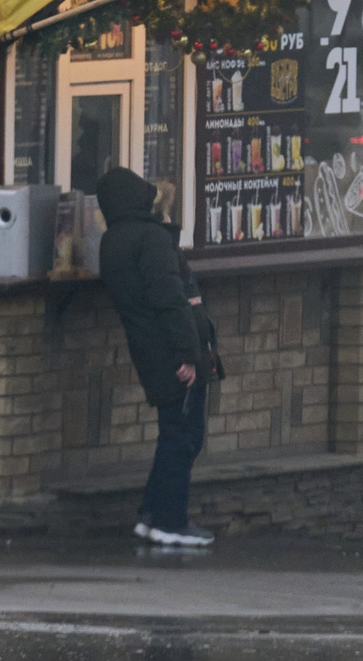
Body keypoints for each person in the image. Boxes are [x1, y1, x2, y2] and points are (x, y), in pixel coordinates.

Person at [96, 166, 222, 548]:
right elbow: (170, 298)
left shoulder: (113, 240)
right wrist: (188, 353)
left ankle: (152, 515)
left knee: (173, 434)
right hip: (172, 350)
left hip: (149, 349)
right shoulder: (149, 239)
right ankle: (170, 520)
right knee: (184, 436)